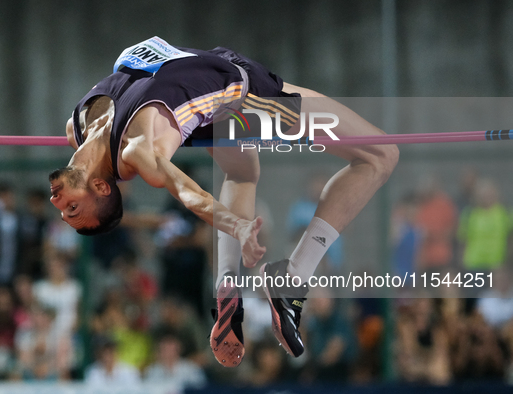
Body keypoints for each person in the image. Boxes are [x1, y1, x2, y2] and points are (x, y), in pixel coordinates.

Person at [49, 37, 399, 367]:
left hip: (210, 95)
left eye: (67, 212)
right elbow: (190, 194)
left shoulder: (76, 127)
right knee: (380, 155)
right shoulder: (140, 150)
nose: (59, 205)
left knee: (242, 174)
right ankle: (292, 276)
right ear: (101, 187)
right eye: (73, 209)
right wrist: (238, 226)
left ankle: (227, 282)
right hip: (245, 95)